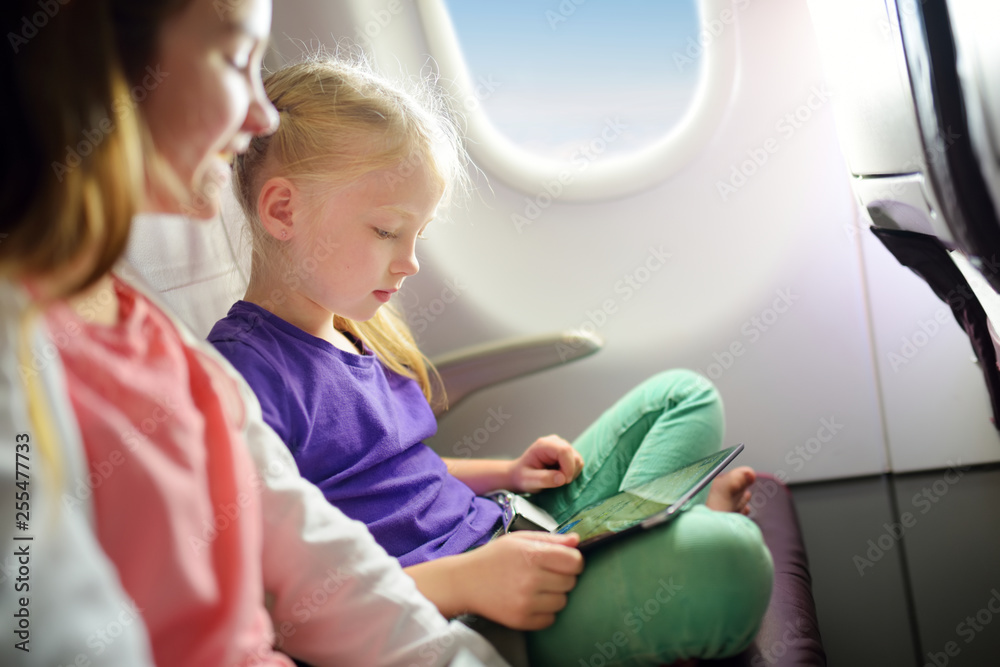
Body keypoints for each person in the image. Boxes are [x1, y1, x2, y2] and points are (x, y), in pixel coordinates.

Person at [208, 56, 775, 666]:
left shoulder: (350, 332)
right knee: (731, 563)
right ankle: (669, 544)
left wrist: (508, 472)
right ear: (284, 211)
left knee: (681, 396)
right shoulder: (245, 376)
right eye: (385, 231)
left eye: (417, 236)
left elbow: (401, 476)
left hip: (506, 528)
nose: (410, 262)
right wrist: (469, 582)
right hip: (482, 603)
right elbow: (275, 603)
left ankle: (651, 532)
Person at [0, 1, 507, 665]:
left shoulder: (145, 323)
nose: (261, 117)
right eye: (237, 59)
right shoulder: (24, 360)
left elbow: (309, 544)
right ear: (104, 71)